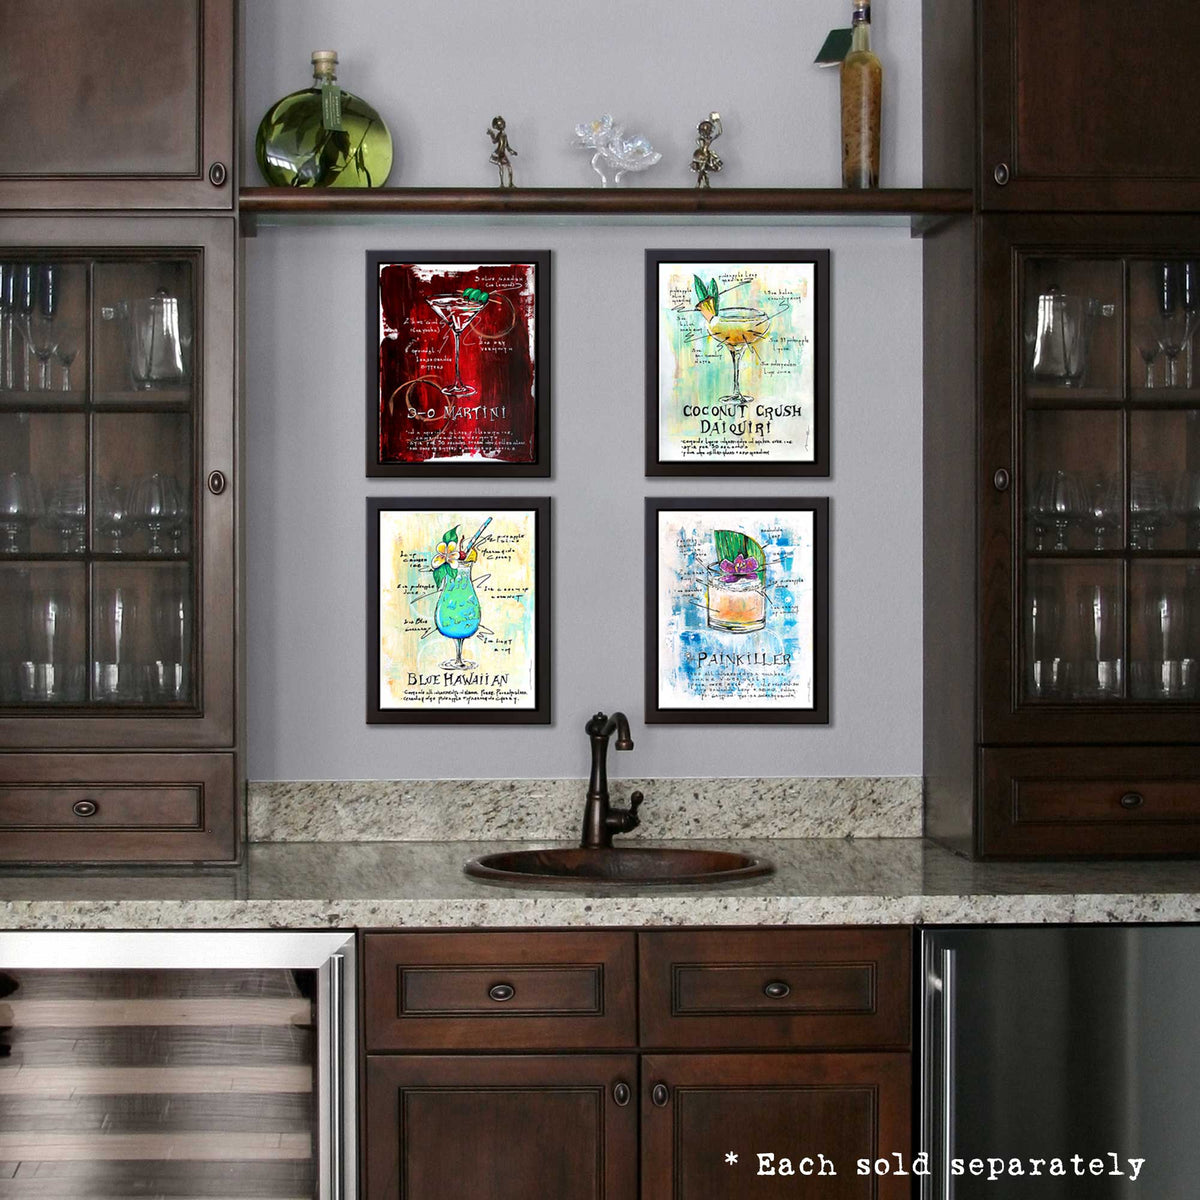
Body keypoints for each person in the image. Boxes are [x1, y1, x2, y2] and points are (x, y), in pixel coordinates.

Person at [690, 113, 723, 188]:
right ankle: (699, 184)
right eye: (704, 129)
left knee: (703, 171)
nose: (706, 131)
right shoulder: (700, 139)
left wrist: (718, 121)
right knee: (702, 170)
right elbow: (702, 147)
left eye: (708, 129)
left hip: (707, 155)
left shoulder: (709, 139)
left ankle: (704, 185)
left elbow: (719, 132)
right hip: (701, 155)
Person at [487, 116, 517, 188]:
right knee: (501, 167)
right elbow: (494, 141)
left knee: (509, 167)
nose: (502, 126)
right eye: (500, 125)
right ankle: (502, 184)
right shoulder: (499, 135)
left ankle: (510, 183)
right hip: (498, 154)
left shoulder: (504, 135)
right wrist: (491, 134)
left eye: (502, 124)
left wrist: (512, 151)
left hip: (503, 154)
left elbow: (507, 146)